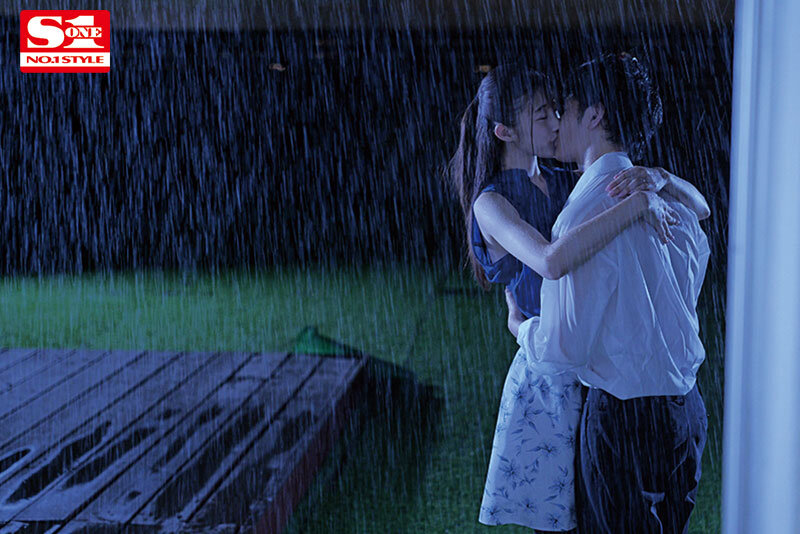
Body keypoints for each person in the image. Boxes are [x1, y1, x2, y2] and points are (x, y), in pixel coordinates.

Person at [446, 63, 709, 533]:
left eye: (557, 109)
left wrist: (659, 179)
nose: (554, 122)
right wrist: (639, 203)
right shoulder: (495, 202)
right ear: (506, 132)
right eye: (542, 115)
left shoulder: (574, 186)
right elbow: (551, 260)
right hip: (552, 372)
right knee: (567, 520)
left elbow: (698, 208)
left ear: (593, 115)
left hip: (590, 372)